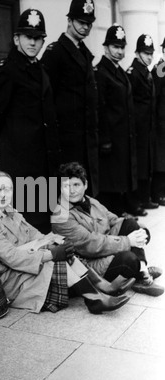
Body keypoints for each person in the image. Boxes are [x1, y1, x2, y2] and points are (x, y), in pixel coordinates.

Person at [0, 171, 132, 316]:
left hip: (26, 265)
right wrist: (50, 254)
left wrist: (55, 242)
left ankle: (103, 287)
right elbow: (11, 257)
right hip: (11, 278)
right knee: (55, 260)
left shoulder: (11, 211)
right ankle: (94, 299)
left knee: (63, 251)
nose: (3, 195)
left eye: (7, 189)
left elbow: (36, 234)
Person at [0, 9, 60, 234]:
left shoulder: (39, 69)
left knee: (45, 220)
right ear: (16, 39)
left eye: (38, 38)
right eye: (28, 37)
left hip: (43, 161)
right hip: (22, 162)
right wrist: (4, 143)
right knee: (28, 224)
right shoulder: (8, 70)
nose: (33, 43)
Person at [51, 162, 164, 298]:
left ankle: (141, 272)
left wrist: (138, 230)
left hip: (104, 247)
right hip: (89, 263)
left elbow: (112, 219)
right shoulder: (60, 215)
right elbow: (89, 245)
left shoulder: (90, 201)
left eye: (76, 185)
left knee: (132, 225)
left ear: (85, 185)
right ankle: (140, 272)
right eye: (66, 186)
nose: (72, 190)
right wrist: (128, 241)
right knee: (129, 259)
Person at [41, 0, 99, 197]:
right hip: (66, 136)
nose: (85, 27)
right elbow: (47, 97)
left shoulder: (84, 53)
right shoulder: (55, 52)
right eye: (81, 22)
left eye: (88, 24)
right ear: (69, 20)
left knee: (81, 185)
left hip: (84, 135)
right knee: (67, 188)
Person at [95, 25, 145, 218]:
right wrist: (105, 138)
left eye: (122, 47)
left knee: (119, 175)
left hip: (122, 135)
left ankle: (119, 210)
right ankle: (113, 213)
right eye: (115, 46)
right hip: (111, 136)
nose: (119, 51)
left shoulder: (119, 72)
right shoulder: (101, 72)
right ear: (106, 47)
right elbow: (100, 107)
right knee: (110, 178)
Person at [127, 34, 159, 211]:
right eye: (145, 53)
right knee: (138, 166)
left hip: (147, 127)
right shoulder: (133, 73)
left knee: (146, 165)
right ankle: (136, 201)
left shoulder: (146, 71)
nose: (149, 57)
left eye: (150, 53)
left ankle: (145, 198)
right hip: (138, 129)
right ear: (137, 53)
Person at [151, 38, 165, 206]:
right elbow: (155, 96)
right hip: (161, 123)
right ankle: (159, 192)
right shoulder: (161, 69)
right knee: (161, 160)